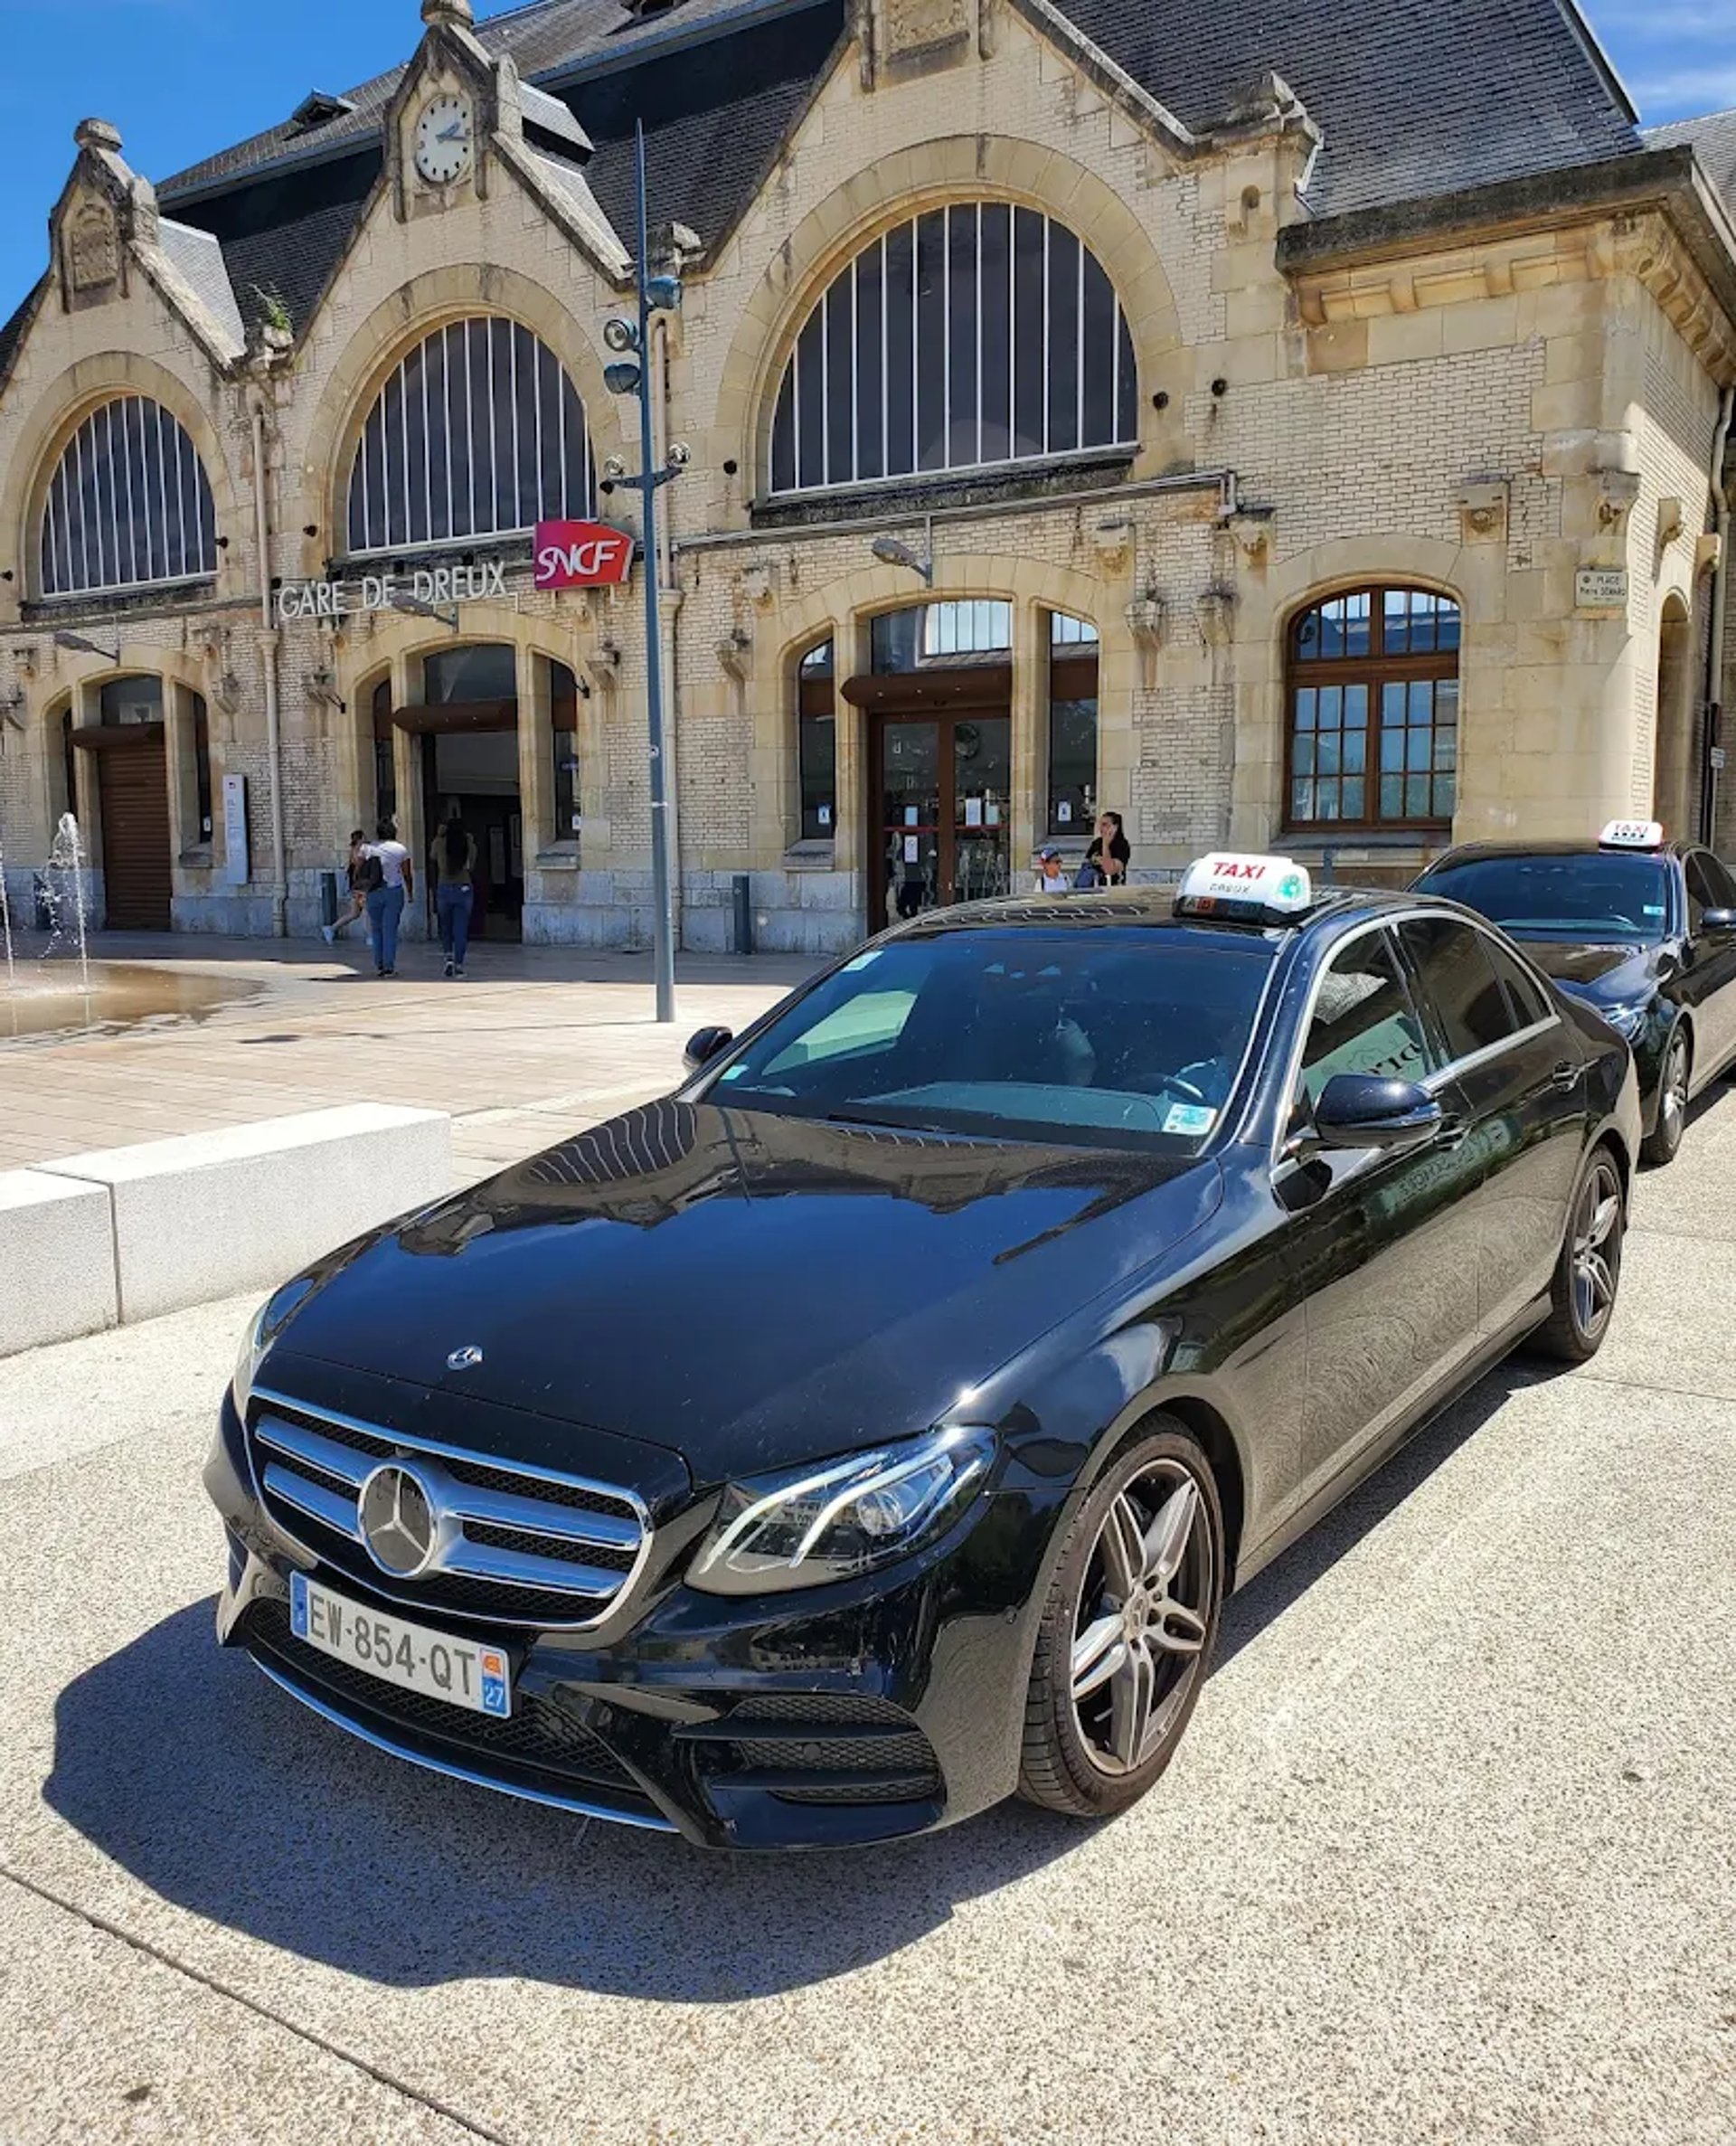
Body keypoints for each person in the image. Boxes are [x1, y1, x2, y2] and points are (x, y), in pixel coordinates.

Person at [361, 816, 412, 977]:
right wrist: (410, 892)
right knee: (390, 929)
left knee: (376, 929)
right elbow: (406, 874)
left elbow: (360, 870)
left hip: (373, 892)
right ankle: (389, 966)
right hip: (393, 891)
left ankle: (379, 964)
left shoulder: (367, 849)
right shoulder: (400, 849)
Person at [429, 808, 477, 978]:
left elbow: (432, 856)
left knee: (446, 927)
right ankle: (459, 964)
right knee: (461, 929)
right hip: (464, 887)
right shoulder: (468, 844)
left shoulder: (440, 843)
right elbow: (472, 864)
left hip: (444, 887)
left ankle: (448, 958)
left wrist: (438, 836)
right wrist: (469, 839)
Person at [321, 830, 367, 944]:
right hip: (360, 888)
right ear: (360, 839)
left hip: (355, 887)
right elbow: (358, 869)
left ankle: (331, 929)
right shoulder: (359, 852)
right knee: (369, 911)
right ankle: (372, 937)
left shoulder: (354, 851)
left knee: (354, 913)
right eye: (364, 837)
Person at [1085, 809, 1131, 887]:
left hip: (1113, 888)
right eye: (1100, 825)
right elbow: (1087, 863)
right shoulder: (1096, 843)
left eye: (1105, 825)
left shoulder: (1122, 845)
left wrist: (1105, 845)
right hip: (1093, 887)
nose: (1101, 828)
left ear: (1115, 827)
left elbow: (1109, 870)